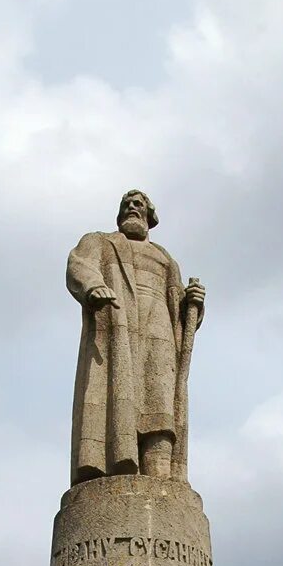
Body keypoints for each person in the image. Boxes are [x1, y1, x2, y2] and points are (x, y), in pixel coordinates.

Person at [66, 190, 206, 484]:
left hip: (159, 333)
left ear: (149, 216)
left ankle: (161, 471)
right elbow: (78, 265)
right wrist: (93, 287)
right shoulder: (100, 242)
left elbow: (179, 309)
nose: (131, 207)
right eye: (126, 204)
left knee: (161, 400)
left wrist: (192, 303)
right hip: (118, 328)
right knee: (118, 398)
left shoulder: (165, 257)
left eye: (138, 204)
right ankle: (116, 464)